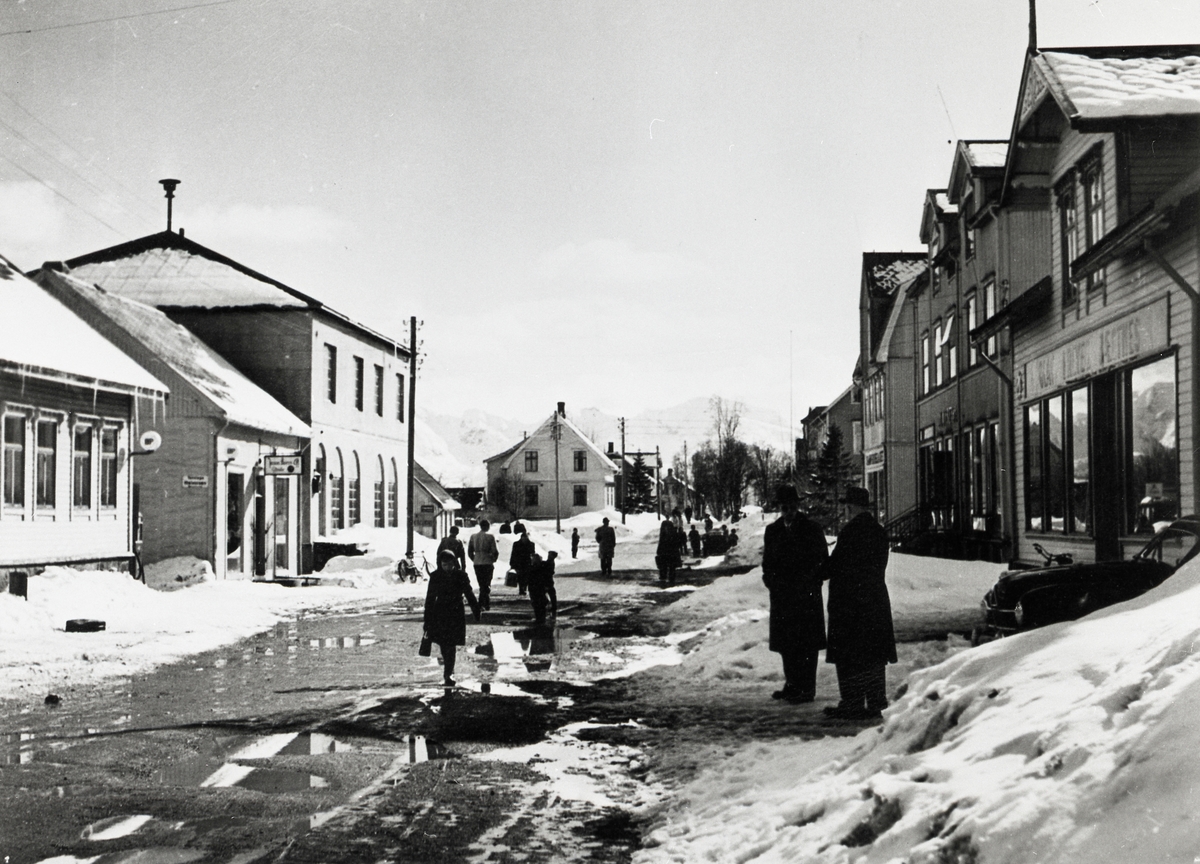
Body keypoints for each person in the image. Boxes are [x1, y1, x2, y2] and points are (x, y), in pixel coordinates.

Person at [821, 486, 896, 721]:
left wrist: (818, 568)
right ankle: (875, 700)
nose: (845, 511)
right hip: (874, 600)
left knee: (849, 655)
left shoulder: (850, 532)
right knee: (873, 653)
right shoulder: (878, 532)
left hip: (850, 603)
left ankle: (852, 702)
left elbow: (835, 566)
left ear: (851, 507)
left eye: (846, 506)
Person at [762, 485, 829, 703]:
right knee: (787, 645)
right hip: (782, 598)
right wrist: (771, 581)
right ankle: (792, 685)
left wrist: (809, 583)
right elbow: (767, 564)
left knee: (806, 646)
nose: (788, 510)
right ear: (779, 508)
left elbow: (822, 563)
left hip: (805, 597)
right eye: (784, 507)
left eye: (791, 506)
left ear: (798, 506)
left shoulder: (812, 529)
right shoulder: (772, 531)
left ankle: (807, 689)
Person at [423, 549, 481, 687]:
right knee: (444, 644)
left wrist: (476, 609)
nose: (447, 567)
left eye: (450, 564)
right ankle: (448, 669)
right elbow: (430, 599)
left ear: (454, 563)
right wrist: (427, 619)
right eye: (444, 565)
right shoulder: (436, 576)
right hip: (440, 613)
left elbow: (469, 593)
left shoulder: (461, 575)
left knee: (451, 644)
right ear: (440, 564)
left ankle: (448, 673)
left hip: (455, 613)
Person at [467, 519, 499, 610]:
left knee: (481, 583)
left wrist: (474, 559)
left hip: (477, 562)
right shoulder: (490, 537)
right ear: (488, 527)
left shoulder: (473, 536)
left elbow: (469, 551)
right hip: (487, 562)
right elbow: (494, 551)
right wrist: (493, 559)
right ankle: (484, 603)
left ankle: (483, 603)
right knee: (487, 583)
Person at [528, 550, 559, 628]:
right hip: (536, 587)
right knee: (538, 602)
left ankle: (541, 619)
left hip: (540, 586)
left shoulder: (545, 565)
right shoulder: (543, 564)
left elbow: (547, 574)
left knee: (539, 602)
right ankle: (540, 618)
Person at [510, 525, 535, 596]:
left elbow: (532, 553)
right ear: (521, 538)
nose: (524, 539)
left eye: (525, 538)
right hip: (519, 563)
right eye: (523, 538)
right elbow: (513, 554)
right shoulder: (516, 544)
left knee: (527, 577)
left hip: (527, 563)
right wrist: (512, 563)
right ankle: (521, 589)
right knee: (520, 577)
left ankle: (524, 588)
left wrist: (533, 562)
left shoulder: (531, 544)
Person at [655, 517, 682, 585]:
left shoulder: (664, 534)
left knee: (666, 567)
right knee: (670, 567)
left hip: (666, 553)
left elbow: (661, 543)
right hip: (670, 553)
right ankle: (669, 579)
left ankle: (665, 579)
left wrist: (659, 551)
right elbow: (677, 543)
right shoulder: (672, 533)